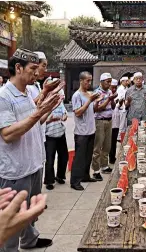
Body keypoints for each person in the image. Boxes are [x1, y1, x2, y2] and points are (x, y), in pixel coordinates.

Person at [0, 48, 62, 251]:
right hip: (16, 171)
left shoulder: (26, 92)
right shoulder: (4, 96)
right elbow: (8, 134)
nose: (37, 73)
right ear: (18, 68)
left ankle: (29, 240)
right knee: (12, 221)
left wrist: (44, 100)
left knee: (29, 212)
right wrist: (40, 111)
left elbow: (31, 117)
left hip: (34, 164)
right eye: (33, 68)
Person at [70, 71, 100, 191]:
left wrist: (96, 102)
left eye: (90, 80)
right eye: (87, 80)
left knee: (88, 156)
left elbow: (94, 110)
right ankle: (75, 181)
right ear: (81, 81)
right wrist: (89, 101)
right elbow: (77, 112)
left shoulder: (89, 94)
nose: (89, 82)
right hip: (81, 132)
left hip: (91, 129)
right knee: (79, 158)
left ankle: (85, 176)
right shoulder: (77, 95)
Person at [91, 73, 117, 181]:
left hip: (109, 120)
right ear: (101, 81)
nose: (109, 84)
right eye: (107, 81)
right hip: (100, 121)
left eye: (110, 81)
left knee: (107, 145)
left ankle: (104, 166)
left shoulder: (110, 91)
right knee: (98, 146)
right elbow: (98, 109)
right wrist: (108, 99)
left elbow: (113, 106)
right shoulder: (97, 93)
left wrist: (112, 100)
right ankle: (96, 170)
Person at [44, 83, 68, 190]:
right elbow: (41, 121)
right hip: (49, 135)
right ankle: (49, 181)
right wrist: (50, 119)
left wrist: (64, 116)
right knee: (50, 159)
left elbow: (65, 113)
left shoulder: (60, 103)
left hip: (60, 132)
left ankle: (60, 176)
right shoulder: (45, 104)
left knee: (64, 156)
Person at [109, 79, 120, 165]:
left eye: (115, 88)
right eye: (112, 87)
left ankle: (112, 157)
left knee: (114, 141)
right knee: (108, 142)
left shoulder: (117, 94)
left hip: (116, 122)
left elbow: (117, 107)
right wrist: (112, 99)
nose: (114, 89)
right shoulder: (107, 95)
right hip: (109, 122)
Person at [117, 77, 129, 141]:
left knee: (125, 124)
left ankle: (123, 136)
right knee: (121, 124)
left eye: (127, 81)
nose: (127, 82)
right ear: (122, 82)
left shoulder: (126, 88)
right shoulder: (120, 89)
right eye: (126, 81)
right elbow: (120, 99)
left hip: (125, 108)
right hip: (122, 108)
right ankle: (119, 137)